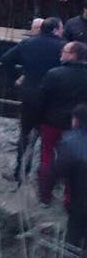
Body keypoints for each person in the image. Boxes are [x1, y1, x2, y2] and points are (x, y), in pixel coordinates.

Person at [0, 16, 66, 183]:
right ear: (56, 29)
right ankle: (48, 177)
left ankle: (20, 172)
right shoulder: (62, 46)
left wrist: (16, 78)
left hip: (29, 95)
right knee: (50, 140)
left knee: (25, 135)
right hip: (52, 99)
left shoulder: (27, 44)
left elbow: (6, 59)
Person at [36, 42, 87, 206]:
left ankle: (45, 197)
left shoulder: (54, 73)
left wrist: (38, 120)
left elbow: (41, 99)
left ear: (73, 55)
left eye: (64, 51)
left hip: (52, 122)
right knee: (76, 163)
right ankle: (69, 200)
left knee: (47, 157)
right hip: (78, 125)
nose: (61, 53)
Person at [44, 104, 87, 253]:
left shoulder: (70, 142)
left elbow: (53, 172)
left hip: (80, 202)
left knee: (73, 240)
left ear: (75, 121)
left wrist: (45, 196)